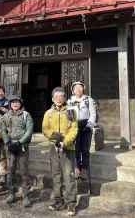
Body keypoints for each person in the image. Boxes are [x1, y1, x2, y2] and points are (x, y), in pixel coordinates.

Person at [42, 87, 78, 216]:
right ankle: (58, 201)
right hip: (54, 147)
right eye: (56, 96)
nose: (58, 98)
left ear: (64, 98)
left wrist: (64, 142)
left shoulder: (71, 111)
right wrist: (55, 139)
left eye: (61, 96)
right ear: (52, 98)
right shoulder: (48, 113)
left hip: (67, 148)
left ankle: (71, 204)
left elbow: (74, 129)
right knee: (56, 175)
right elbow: (45, 129)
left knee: (69, 176)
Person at [0, 96, 33, 208]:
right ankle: (11, 193)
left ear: (20, 103)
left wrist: (20, 142)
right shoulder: (5, 116)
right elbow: (3, 130)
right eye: (13, 102)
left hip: (22, 146)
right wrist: (7, 142)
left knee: (24, 171)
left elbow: (29, 130)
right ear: (10, 104)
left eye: (17, 102)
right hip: (10, 146)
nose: (15, 104)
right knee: (10, 170)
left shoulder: (26, 115)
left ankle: (25, 195)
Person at [67, 81, 97, 179]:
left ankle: (84, 169)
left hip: (86, 125)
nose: (78, 90)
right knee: (75, 148)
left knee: (85, 149)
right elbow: (68, 116)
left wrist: (89, 125)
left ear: (83, 89)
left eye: (80, 87)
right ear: (73, 90)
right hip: (74, 126)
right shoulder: (69, 101)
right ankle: (76, 168)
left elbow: (93, 114)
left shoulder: (88, 100)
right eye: (76, 88)